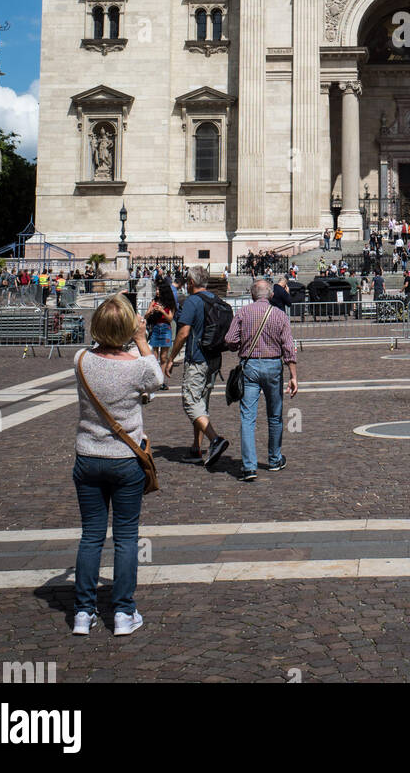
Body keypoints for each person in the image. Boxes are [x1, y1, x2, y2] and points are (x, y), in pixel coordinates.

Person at [71, 294, 163, 636]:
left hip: (87, 457)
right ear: (127, 327)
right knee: (126, 537)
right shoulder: (137, 366)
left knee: (91, 536)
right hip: (125, 461)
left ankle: (83, 612)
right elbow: (156, 378)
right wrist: (141, 340)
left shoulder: (80, 359)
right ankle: (123, 612)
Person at [223, 278, 299, 482]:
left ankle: (249, 467)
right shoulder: (280, 315)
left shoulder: (242, 312)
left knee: (248, 418)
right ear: (272, 295)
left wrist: (241, 345)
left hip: (250, 366)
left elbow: (230, 340)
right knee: (275, 415)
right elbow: (288, 348)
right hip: (273, 365)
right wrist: (293, 375)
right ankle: (274, 459)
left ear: (252, 295)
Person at [165, 265, 229, 469]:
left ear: (191, 283)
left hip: (198, 359)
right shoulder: (215, 299)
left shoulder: (193, 301)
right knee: (201, 404)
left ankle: (215, 439)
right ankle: (196, 449)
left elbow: (183, 334)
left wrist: (170, 358)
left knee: (191, 402)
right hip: (214, 359)